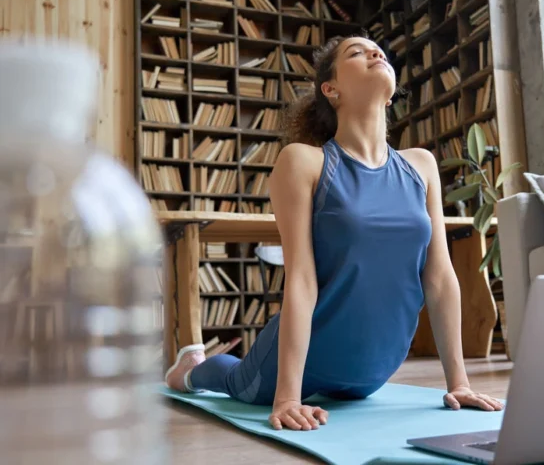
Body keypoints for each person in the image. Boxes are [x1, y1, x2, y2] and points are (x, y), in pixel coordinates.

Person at [164, 34, 504, 431]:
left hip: (371, 374)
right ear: (331, 90)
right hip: (304, 360)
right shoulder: (304, 162)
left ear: (392, 95)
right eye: (357, 53)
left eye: (379, 50)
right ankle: (191, 368)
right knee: (234, 381)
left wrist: (459, 384)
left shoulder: (421, 166)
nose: (376, 53)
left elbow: (440, 278)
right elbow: (302, 279)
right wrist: (287, 396)